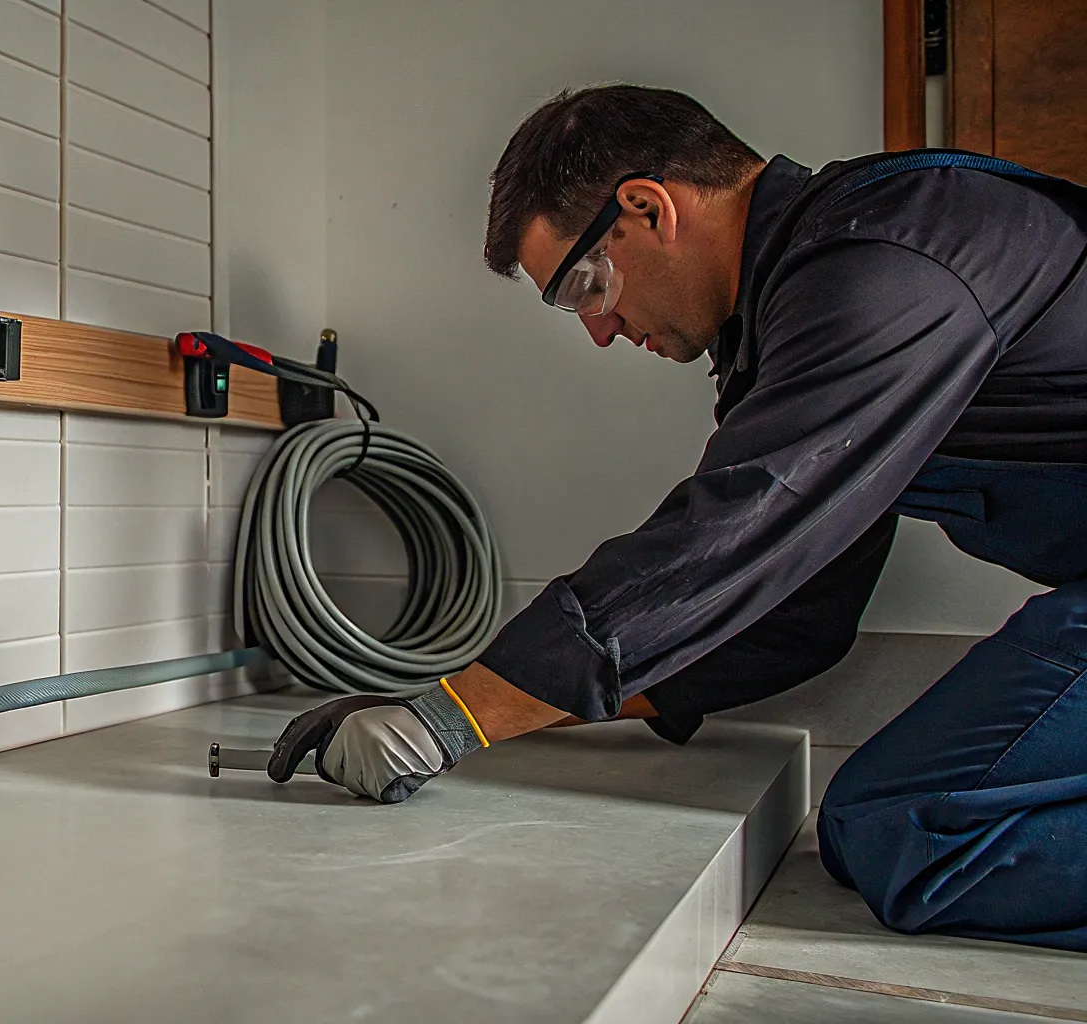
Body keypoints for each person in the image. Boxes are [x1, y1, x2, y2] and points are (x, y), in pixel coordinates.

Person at [269, 85, 1087, 953]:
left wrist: (446, 722)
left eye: (584, 286)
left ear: (647, 207)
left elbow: (732, 530)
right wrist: (464, 703)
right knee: (872, 833)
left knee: (905, 829)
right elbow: (789, 613)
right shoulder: (795, 318)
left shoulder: (887, 256)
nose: (599, 329)